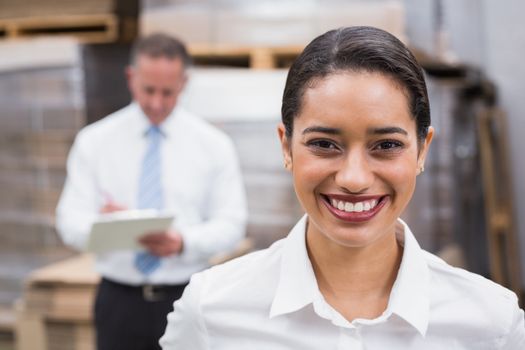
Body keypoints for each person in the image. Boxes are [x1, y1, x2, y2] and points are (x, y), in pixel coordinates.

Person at [160, 26, 525, 349]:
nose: (354, 179)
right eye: (324, 144)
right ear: (286, 147)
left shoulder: (491, 324)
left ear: (422, 150)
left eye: (386, 145)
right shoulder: (212, 311)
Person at [56, 33, 247, 350]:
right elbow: (68, 223)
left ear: (184, 83)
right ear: (131, 78)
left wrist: (182, 242)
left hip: (188, 297)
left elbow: (231, 224)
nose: (157, 103)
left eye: (168, 93)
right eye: (148, 90)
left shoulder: (214, 146)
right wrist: (109, 229)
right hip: (119, 304)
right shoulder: (94, 142)